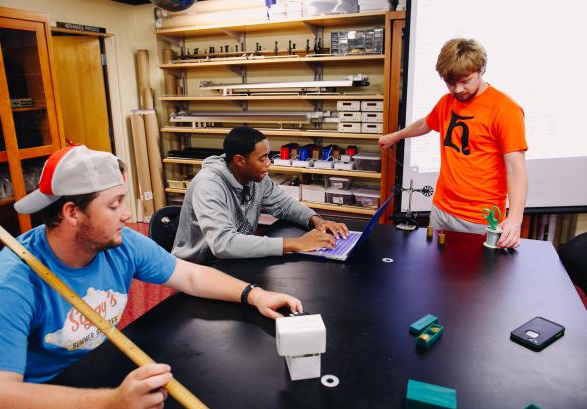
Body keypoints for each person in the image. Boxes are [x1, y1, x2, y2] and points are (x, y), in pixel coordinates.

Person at [0, 145, 303, 409]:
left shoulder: (120, 243)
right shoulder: (8, 283)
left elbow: (189, 276)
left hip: (102, 372)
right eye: (114, 205)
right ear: (72, 213)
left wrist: (254, 294)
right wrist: (109, 404)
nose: (126, 214)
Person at [379, 38, 528, 248]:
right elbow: (426, 123)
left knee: (474, 280)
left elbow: (516, 167)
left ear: (481, 69)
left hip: (480, 219)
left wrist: (515, 218)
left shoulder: (505, 109)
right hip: (441, 211)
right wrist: (394, 136)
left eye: (466, 80)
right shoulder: (446, 102)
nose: (457, 89)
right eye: (450, 83)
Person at [172, 126, 349, 264]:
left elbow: (284, 205)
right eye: (262, 159)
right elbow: (223, 244)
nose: (268, 164)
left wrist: (317, 221)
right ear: (239, 161)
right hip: (201, 267)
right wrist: (295, 243)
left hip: (234, 261)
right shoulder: (209, 185)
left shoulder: (256, 177)